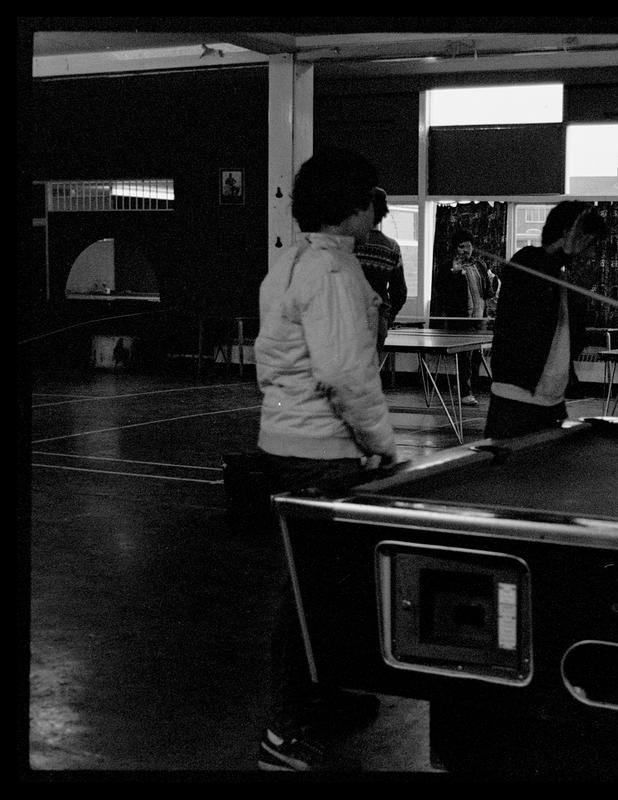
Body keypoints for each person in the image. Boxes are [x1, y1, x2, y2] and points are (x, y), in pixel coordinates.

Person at [253, 146, 399, 771]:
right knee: (309, 596)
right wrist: (382, 446)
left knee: (327, 590)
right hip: (323, 456)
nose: (377, 209)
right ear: (353, 205)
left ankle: (327, 699)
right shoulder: (335, 273)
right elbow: (346, 374)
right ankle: (283, 734)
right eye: (371, 198)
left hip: (286, 445)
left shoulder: (290, 263)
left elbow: (276, 365)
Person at [485, 201, 607, 439]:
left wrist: (579, 295)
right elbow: (538, 273)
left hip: (553, 403)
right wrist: (565, 251)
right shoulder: (527, 262)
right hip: (515, 403)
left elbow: (574, 342)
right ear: (567, 236)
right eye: (589, 243)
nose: (592, 253)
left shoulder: (562, 279)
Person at [433, 229, 495, 405]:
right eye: (462, 247)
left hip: (479, 317)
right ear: (455, 248)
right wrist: (454, 273)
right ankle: (464, 392)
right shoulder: (447, 266)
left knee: (476, 355)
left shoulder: (480, 265)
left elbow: (488, 289)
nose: (466, 250)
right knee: (465, 357)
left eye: (469, 246)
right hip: (460, 318)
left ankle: (465, 384)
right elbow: (442, 291)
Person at [354, 187, 407, 361]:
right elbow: (399, 292)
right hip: (377, 320)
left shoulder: (346, 244)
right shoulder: (392, 248)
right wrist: (388, 316)